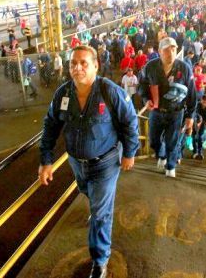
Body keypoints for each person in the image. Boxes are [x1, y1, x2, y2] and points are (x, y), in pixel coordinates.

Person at [38, 45, 139, 278]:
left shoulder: (109, 92)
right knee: (88, 194)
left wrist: (130, 153)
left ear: (96, 65)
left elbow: (129, 121)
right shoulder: (63, 94)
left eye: (84, 63)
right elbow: (50, 125)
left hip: (106, 162)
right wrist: (46, 160)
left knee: (101, 213)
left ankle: (100, 260)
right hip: (77, 163)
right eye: (73, 63)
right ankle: (96, 214)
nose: (78, 67)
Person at [142, 37, 196, 178]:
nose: (170, 53)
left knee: (172, 141)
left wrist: (190, 115)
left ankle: (170, 166)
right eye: (166, 50)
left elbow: (191, 93)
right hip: (156, 111)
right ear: (159, 51)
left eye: (173, 49)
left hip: (176, 112)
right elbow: (142, 84)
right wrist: (146, 99)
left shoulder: (185, 69)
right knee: (153, 140)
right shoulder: (150, 67)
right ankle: (161, 154)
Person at [192, 95, 206, 160]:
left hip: (203, 123)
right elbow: (193, 114)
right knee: (194, 136)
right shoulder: (197, 105)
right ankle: (195, 151)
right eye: (203, 102)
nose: (205, 104)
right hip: (195, 122)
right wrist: (197, 122)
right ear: (201, 100)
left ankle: (200, 152)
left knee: (200, 137)